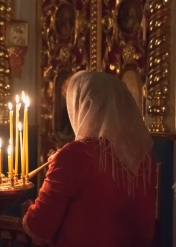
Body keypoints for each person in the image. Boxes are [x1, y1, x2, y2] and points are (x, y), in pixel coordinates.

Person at [23, 71, 156, 247]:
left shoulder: (75, 154)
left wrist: (28, 211)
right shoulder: (144, 157)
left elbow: (39, 228)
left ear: (82, 106)